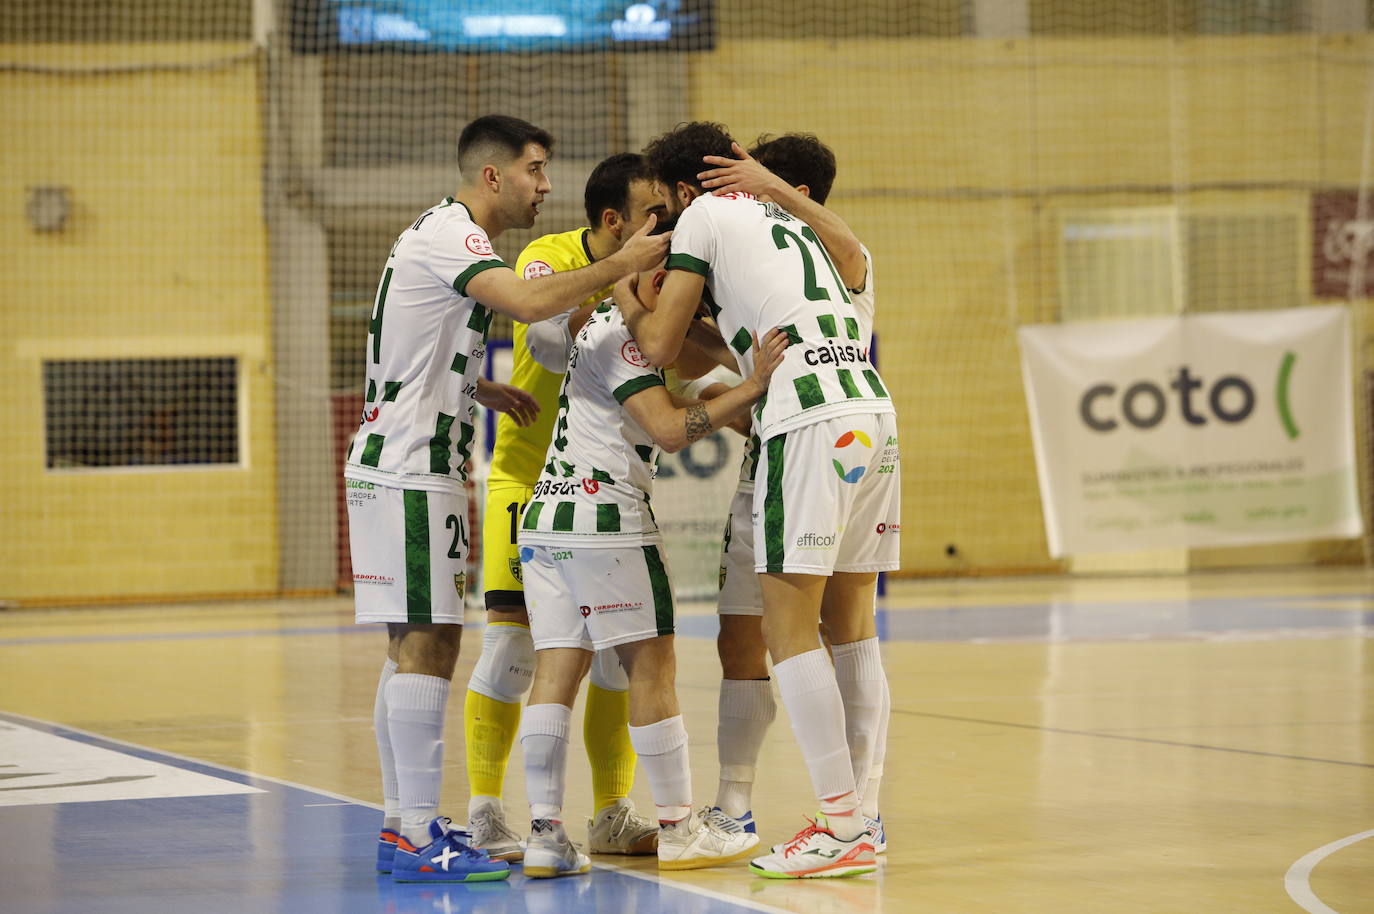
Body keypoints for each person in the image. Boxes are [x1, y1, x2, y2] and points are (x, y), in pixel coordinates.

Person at [345, 113, 668, 883]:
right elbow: (527, 308)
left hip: (398, 460)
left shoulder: (434, 233)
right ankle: (423, 836)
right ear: (492, 176)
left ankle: (401, 828)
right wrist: (620, 265)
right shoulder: (458, 234)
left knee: (407, 646)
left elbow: (408, 334)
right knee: (433, 644)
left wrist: (475, 384)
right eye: (534, 169)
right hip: (414, 468)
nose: (545, 185)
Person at [617, 122, 899, 879]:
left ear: (682, 191)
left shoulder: (708, 217)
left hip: (805, 419)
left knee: (787, 629)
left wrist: (622, 282)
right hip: (870, 412)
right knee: (851, 628)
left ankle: (843, 824)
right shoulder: (810, 234)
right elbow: (730, 337)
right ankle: (860, 814)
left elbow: (661, 348)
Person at [514, 267, 787, 877]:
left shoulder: (603, 330)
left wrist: (720, 402)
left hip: (548, 519)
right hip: (606, 518)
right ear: (651, 281)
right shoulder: (626, 336)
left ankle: (543, 833)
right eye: (681, 287)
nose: (690, 304)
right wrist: (753, 386)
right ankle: (678, 827)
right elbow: (667, 430)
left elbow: (652, 407)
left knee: (557, 669)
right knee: (653, 668)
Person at [463, 153, 668, 861]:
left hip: (606, 492)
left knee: (617, 658)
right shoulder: (549, 256)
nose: (662, 225)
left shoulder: (658, 276)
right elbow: (550, 345)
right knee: (514, 647)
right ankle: (486, 812)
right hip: (528, 488)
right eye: (653, 213)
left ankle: (611, 812)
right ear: (616, 220)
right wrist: (625, 286)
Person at [689, 134, 889, 857]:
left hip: (812, 435)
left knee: (820, 627)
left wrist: (766, 187)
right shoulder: (772, 261)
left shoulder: (831, 257)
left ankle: (852, 817)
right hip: (806, 438)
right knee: (749, 633)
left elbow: (856, 251)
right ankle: (745, 811)